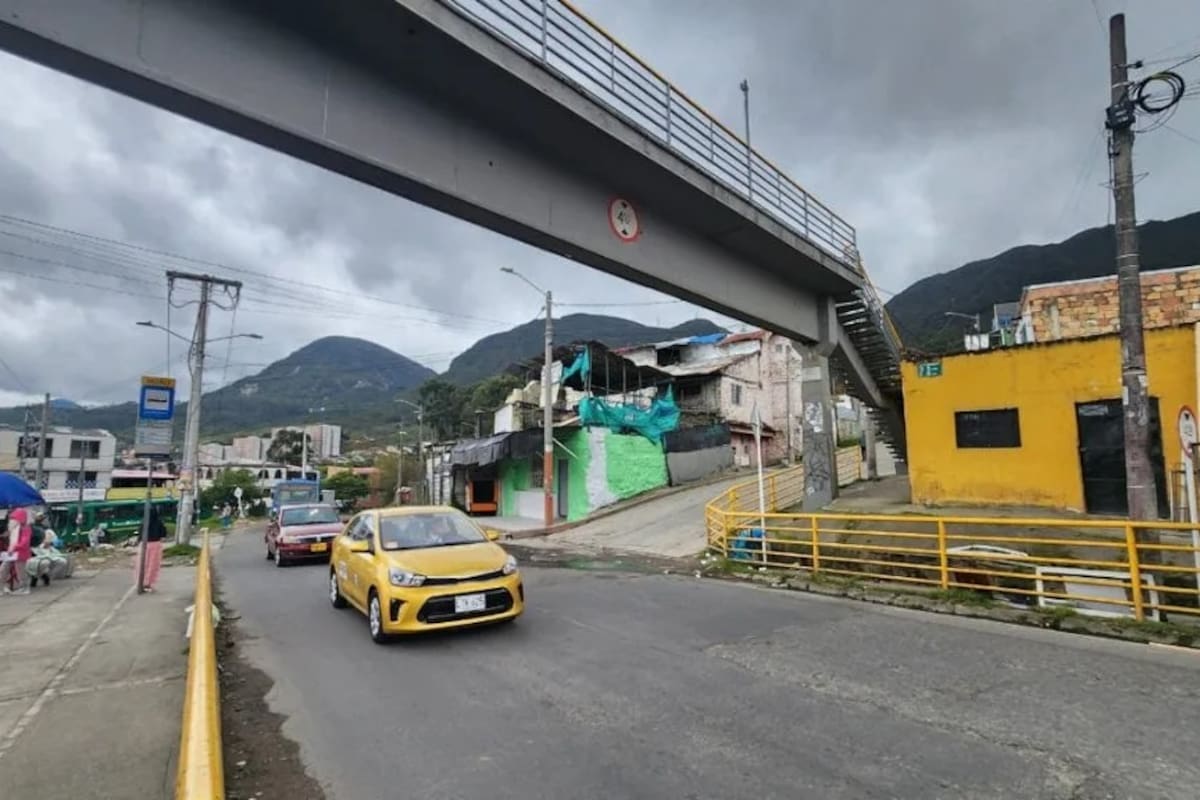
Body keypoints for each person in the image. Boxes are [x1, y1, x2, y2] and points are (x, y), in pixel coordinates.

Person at [135, 506, 168, 592]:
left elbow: (140, 535)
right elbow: (163, 534)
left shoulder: (143, 522)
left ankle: (140, 582)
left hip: (143, 544)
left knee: (142, 564)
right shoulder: (159, 522)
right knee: (152, 565)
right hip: (155, 544)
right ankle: (148, 584)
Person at [3, 508, 34, 595]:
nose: (13, 519)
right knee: (4, 569)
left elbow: (25, 542)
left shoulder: (26, 528)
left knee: (21, 571)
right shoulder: (15, 528)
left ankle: (24, 588)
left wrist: (14, 547)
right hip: (13, 553)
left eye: (14, 518)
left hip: (21, 553)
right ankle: (3, 587)